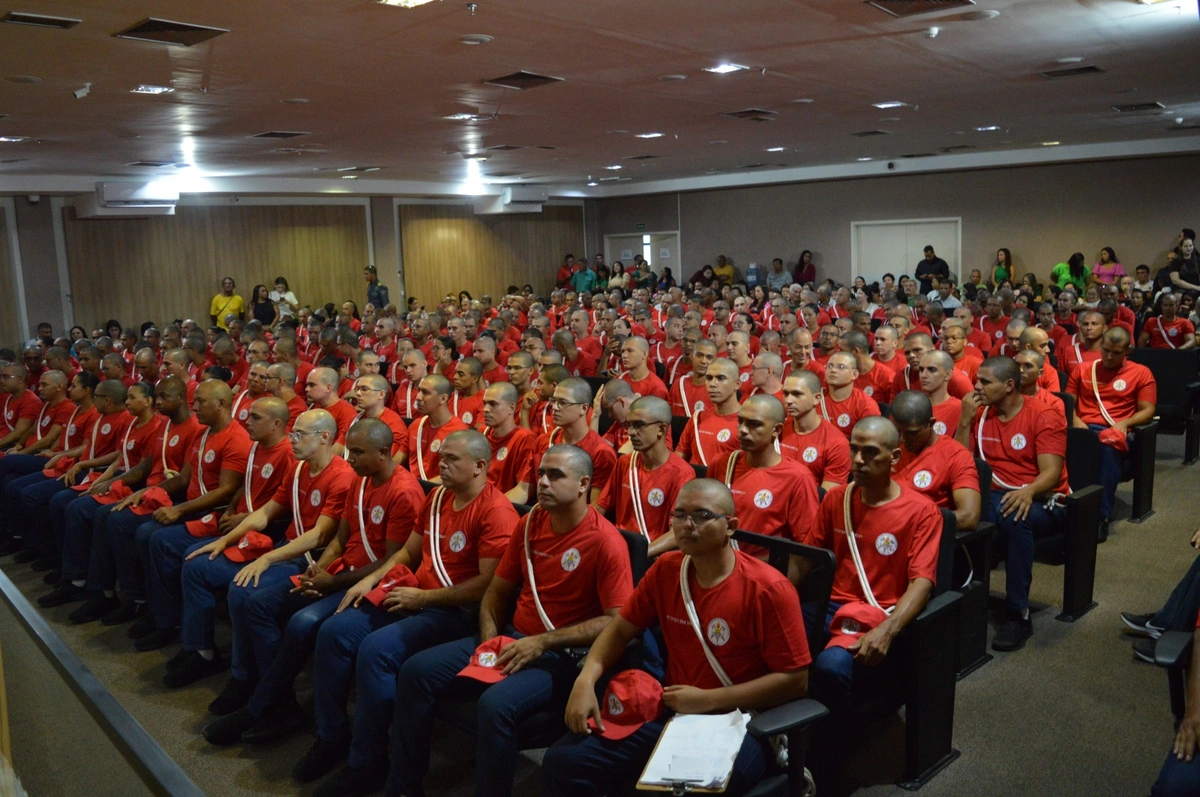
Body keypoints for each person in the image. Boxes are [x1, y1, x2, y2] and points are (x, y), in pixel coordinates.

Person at [387, 444, 634, 797]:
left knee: (495, 705)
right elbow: (496, 592)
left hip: (560, 654)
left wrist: (543, 642)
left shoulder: (606, 540)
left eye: (555, 475)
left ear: (583, 484)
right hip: (512, 638)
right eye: (541, 474)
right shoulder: (529, 522)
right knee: (415, 672)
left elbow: (616, 621)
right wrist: (490, 639)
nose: (543, 482)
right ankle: (403, 786)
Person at [544, 478, 811, 797]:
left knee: (687, 790)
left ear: (730, 527)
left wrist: (707, 699)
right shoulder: (667, 570)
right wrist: (586, 680)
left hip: (742, 722)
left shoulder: (769, 590)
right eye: (679, 515)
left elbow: (795, 680)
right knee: (564, 762)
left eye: (701, 516)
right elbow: (618, 629)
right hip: (676, 714)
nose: (687, 525)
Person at [203, 418, 423, 746]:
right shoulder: (360, 481)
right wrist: (318, 570)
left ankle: (262, 708)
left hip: (371, 584)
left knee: (303, 622)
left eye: (358, 453)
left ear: (383, 453)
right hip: (340, 572)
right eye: (348, 451)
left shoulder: (403, 491)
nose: (349, 459)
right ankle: (280, 702)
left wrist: (333, 583)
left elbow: (390, 563)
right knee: (258, 603)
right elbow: (339, 541)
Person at [802, 416, 942, 788]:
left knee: (832, 666)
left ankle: (826, 766)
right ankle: (773, 743)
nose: (858, 460)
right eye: (854, 450)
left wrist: (887, 630)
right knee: (766, 633)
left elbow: (922, 582)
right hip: (833, 605)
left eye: (870, 452)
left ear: (895, 457)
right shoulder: (837, 497)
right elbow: (810, 558)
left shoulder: (921, 510)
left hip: (879, 613)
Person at [126, 380, 252, 651]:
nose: (195, 407)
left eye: (201, 402)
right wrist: (150, 491)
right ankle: (162, 613)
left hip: (215, 515)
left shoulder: (236, 438)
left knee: (159, 540)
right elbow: (185, 477)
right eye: (194, 402)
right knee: (144, 532)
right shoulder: (203, 433)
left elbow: (226, 491)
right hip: (196, 507)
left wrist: (179, 509)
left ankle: (170, 621)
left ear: (221, 404)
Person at [955, 357, 1069, 652]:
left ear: (1008, 386)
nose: (976, 387)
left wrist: (1028, 491)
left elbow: (1051, 474)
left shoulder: (1043, 415)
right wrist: (965, 420)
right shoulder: (980, 415)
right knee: (948, 512)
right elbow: (956, 460)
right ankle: (956, 597)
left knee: (1014, 517)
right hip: (993, 495)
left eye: (985, 382)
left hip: (1046, 500)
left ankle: (1018, 613)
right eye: (977, 380)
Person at [1066, 327, 1156, 539]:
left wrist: (1125, 423)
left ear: (1128, 350)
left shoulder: (1141, 373)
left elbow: (1148, 410)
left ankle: (1100, 517)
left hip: (1116, 431)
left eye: (1116, 353)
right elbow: (1067, 402)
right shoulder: (1083, 369)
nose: (1108, 356)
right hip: (1084, 428)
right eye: (1105, 350)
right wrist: (1076, 419)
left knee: (1107, 447)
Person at [708, 395, 819, 560]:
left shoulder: (797, 478)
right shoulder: (722, 463)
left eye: (754, 424)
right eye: (740, 421)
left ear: (777, 430)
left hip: (758, 572)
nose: (742, 430)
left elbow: (805, 552)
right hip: (713, 561)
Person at [597, 396, 694, 556]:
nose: (631, 433)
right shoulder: (624, 463)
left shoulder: (682, 473)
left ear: (661, 429)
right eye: (629, 425)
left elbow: (677, 532)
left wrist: (640, 554)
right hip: (618, 548)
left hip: (651, 555)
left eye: (639, 425)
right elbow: (601, 506)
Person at [514, 378, 617, 505]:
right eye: (554, 401)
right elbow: (523, 490)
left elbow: (596, 507)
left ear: (584, 408)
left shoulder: (601, 451)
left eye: (563, 402)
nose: (555, 408)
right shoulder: (543, 441)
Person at [890, 390, 980, 531]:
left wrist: (915, 521)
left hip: (921, 532)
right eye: (897, 431)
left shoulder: (956, 455)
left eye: (911, 433)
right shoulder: (889, 444)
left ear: (931, 423)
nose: (902, 439)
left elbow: (969, 517)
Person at [779, 370, 851, 490]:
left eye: (797, 394)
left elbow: (826, 497)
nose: (788, 401)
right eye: (786, 394)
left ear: (816, 399)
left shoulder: (837, 443)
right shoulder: (777, 430)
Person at [675, 358, 741, 467]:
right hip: (694, 482)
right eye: (709, 378)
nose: (712, 384)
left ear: (737, 384)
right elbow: (679, 458)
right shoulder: (697, 417)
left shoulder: (747, 424)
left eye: (720, 378)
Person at [407, 375, 470, 482]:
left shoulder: (458, 433)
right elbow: (398, 459)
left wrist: (418, 488)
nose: (417, 397)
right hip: (412, 488)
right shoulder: (416, 425)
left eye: (425, 393)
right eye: (419, 391)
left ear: (443, 398)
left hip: (438, 490)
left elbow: (454, 474)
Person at [480, 382, 536, 496]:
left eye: (493, 404)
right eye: (485, 403)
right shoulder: (482, 432)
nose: (485, 409)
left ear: (511, 408)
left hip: (501, 505)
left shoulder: (524, 438)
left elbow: (523, 491)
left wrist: (490, 508)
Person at [820, 351, 881, 438]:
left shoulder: (866, 404)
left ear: (855, 374)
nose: (833, 370)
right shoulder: (815, 398)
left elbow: (869, 440)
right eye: (829, 366)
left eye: (841, 367)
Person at [917, 350, 962, 436]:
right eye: (921, 370)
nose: (923, 375)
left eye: (932, 370)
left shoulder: (959, 409)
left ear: (948, 375)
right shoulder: (913, 406)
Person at [671, 337, 717, 418]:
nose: (703, 361)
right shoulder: (679, 383)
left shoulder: (717, 390)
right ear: (692, 356)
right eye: (699, 355)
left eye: (709, 358)